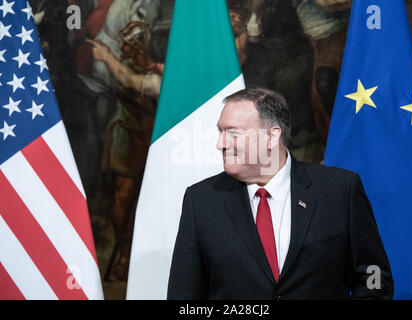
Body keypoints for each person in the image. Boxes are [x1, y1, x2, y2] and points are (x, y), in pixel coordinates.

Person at [167, 87, 394, 299]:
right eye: (220, 132)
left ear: (271, 136)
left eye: (232, 133)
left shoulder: (339, 190)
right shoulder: (201, 201)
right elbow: (184, 296)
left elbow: (373, 274)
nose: (220, 143)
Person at [88, 21, 167, 280]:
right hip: (124, 135)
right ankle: (124, 252)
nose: (122, 47)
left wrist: (108, 58)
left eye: (127, 44)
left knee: (149, 200)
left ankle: (140, 254)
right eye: (121, 42)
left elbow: (131, 81)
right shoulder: (131, 65)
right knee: (122, 197)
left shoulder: (157, 72)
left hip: (150, 139)